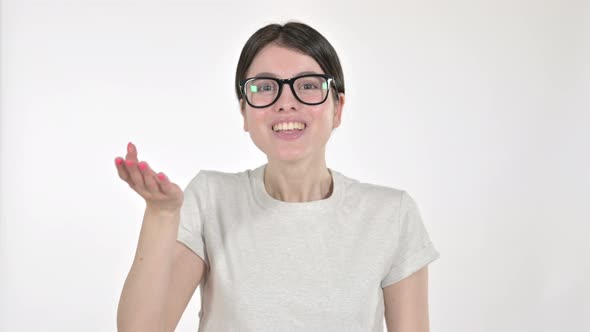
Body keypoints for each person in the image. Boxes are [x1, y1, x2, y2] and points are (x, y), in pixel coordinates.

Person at [114, 21, 440, 332]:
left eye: (309, 86)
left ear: (337, 108)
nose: (286, 103)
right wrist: (161, 214)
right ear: (244, 111)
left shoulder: (391, 215)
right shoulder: (210, 199)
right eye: (266, 87)